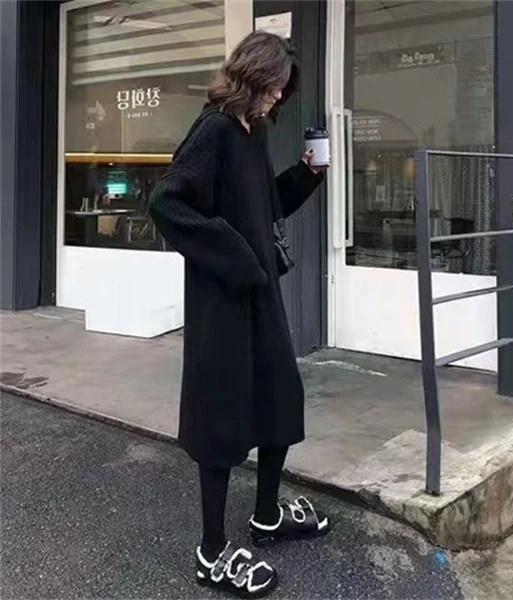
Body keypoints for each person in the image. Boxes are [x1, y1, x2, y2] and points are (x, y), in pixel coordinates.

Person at [148, 31, 329, 598]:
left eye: (282, 91)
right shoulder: (215, 130)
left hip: (258, 294)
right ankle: (211, 553)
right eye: (272, 88)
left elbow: (262, 205)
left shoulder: (255, 130)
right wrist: (239, 260)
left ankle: (267, 516)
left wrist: (305, 175)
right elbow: (167, 202)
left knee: (279, 398)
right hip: (223, 300)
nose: (277, 98)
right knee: (221, 420)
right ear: (251, 78)